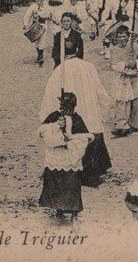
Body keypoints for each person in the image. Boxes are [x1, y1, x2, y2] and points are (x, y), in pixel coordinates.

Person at [38, 92, 93, 221]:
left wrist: (69, 140)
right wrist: (57, 126)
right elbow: (44, 133)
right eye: (64, 106)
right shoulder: (54, 117)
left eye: (70, 106)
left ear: (74, 106)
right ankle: (59, 208)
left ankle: (74, 212)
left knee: (71, 183)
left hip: (70, 157)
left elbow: (83, 139)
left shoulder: (77, 120)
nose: (67, 109)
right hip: (56, 156)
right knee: (55, 181)